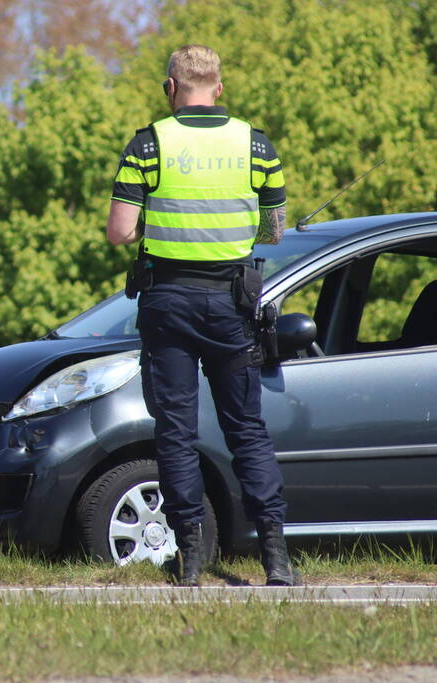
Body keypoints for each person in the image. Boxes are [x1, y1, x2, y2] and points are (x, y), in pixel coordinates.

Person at [106, 45, 298, 587]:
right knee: (247, 429)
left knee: (175, 431)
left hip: (168, 303)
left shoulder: (149, 143)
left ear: (171, 87)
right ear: (219, 87)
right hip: (231, 305)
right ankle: (276, 558)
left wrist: (160, 227)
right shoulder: (255, 144)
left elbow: (120, 231)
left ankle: (189, 556)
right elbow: (275, 229)